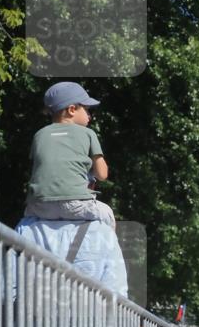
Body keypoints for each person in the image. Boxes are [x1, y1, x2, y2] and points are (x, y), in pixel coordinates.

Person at [16, 82, 127, 296]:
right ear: (72, 109)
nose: (90, 116)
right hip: (73, 203)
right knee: (107, 215)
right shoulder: (87, 134)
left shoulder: (39, 135)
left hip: (37, 207)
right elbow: (102, 174)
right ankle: (106, 248)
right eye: (87, 110)